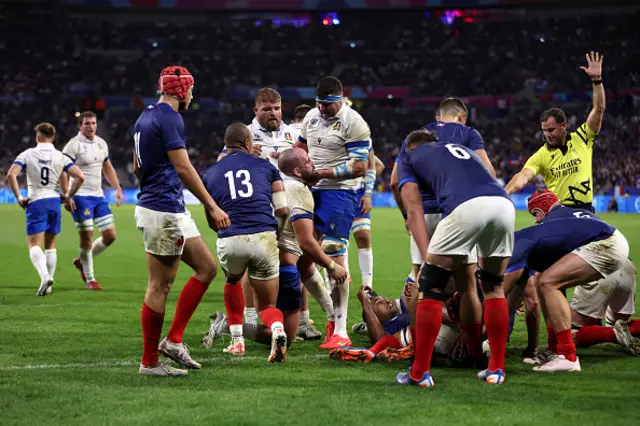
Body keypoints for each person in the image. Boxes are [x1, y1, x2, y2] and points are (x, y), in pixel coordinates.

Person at [396, 130, 514, 387]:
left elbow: (414, 208)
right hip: (503, 204)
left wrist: (428, 257)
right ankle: (496, 369)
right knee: (493, 287)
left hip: (465, 207)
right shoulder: (463, 151)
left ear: (412, 146)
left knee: (429, 286)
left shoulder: (409, 155)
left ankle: (419, 373)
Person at [133, 65, 229, 377]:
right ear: (181, 89)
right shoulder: (171, 117)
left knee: (207, 267)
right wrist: (212, 206)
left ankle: (173, 340)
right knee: (160, 284)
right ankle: (149, 363)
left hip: (165, 205)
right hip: (163, 209)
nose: (192, 94)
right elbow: (184, 168)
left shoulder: (144, 116)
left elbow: (137, 166)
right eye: (191, 88)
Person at [202, 147, 347, 349]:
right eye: (307, 161)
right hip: (282, 269)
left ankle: (232, 327)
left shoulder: (268, 184)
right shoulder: (298, 190)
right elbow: (305, 242)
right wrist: (332, 266)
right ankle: (228, 326)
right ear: (296, 171)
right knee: (285, 334)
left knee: (264, 309)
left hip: (259, 258)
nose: (312, 163)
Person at [504, 190, 638, 366]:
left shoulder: (549, 224)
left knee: (547, 284)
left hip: (604, 250)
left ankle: (566, 354)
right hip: (623, 260)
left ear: (544, 207)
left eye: (535, 213)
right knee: (619, 323)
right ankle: (558, 350)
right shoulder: (571, 213)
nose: (536, 220)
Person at [203, 123, 289, 362]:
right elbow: (282, 209)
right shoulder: (265, 166)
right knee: (268, 305)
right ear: (249, 143)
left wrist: (223, 232)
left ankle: (237, 341)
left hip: (231, 236)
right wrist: (277, 235)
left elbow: (210, 217)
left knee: (232, 281)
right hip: (264, 235)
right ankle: (278, 331)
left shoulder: (211, 172)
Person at [295, 76, 371, 349]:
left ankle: (341, 330)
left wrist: (321, 173)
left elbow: (360, 167)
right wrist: (298, 164)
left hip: (340, 191)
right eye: (319, 104)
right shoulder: (311, 118)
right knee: (304, 258)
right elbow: (301, 148)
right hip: (310, 189)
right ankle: (330, 313)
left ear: (340, 100)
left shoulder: (355, 122)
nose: (323, 109)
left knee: (334, 252)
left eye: (328, 105)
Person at [390, 97, 495, 280]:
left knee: (422, 276)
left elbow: (394, 182)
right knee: (466, 281)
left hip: (423, 215)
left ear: (438, 116)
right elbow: (489, 173)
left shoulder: (415, 136)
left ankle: (422, 308)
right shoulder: (468, 133)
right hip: (456, 212)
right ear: (462, 117)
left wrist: (407, 216)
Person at [505, 52, 605, 211]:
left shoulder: (582, 138)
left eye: (551, 129)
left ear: (564, 125)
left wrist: (597, 81)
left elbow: (598, 110)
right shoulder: (541, 155)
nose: (547, 134)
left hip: (586, 211)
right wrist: (504, 193)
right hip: (558, 213)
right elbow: (523, 176)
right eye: (544, 131)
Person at [7, 123, 85, 296]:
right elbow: (80, 176)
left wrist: (19, 197)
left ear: (38, 136)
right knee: (51, 245)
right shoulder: (60, 156)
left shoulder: (28, 154)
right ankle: (49, 285)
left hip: (36, 201)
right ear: (53, 137)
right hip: (53, 201)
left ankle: (45, 277)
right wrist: (67, 195)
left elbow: (11, 174)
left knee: (34, 244)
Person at [62, 111, 123, 290]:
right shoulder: (73, 145)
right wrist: (67, 195)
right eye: (87, 123)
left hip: (98, 195)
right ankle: (90, 279)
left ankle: (81, 262)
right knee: (86, 237)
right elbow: (63, 170)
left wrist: (117, 188)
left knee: (110, 235)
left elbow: (107, 167)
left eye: (94, 123)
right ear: (80, 125)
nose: (91, 126)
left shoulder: (101, 143)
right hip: (80, 196)